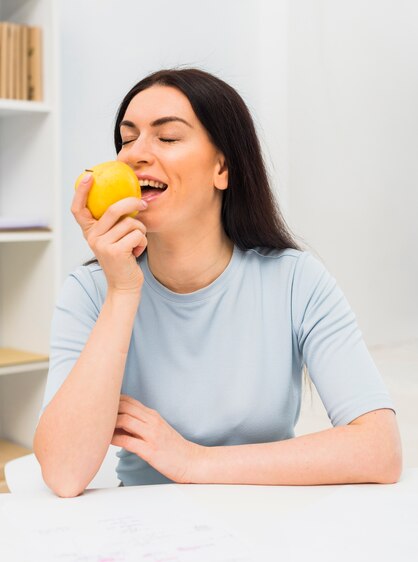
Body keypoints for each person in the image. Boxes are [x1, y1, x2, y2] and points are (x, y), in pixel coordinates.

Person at [34, 68, 402, 497]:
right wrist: (122, 291)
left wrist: (194, 461)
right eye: (127, 138)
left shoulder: (295, 280)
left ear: (222, 167)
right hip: (145, 528)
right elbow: (63, 473)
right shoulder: (91, 291)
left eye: (167, 138)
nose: (135, 154)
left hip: (275, 518)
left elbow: (379, 448)